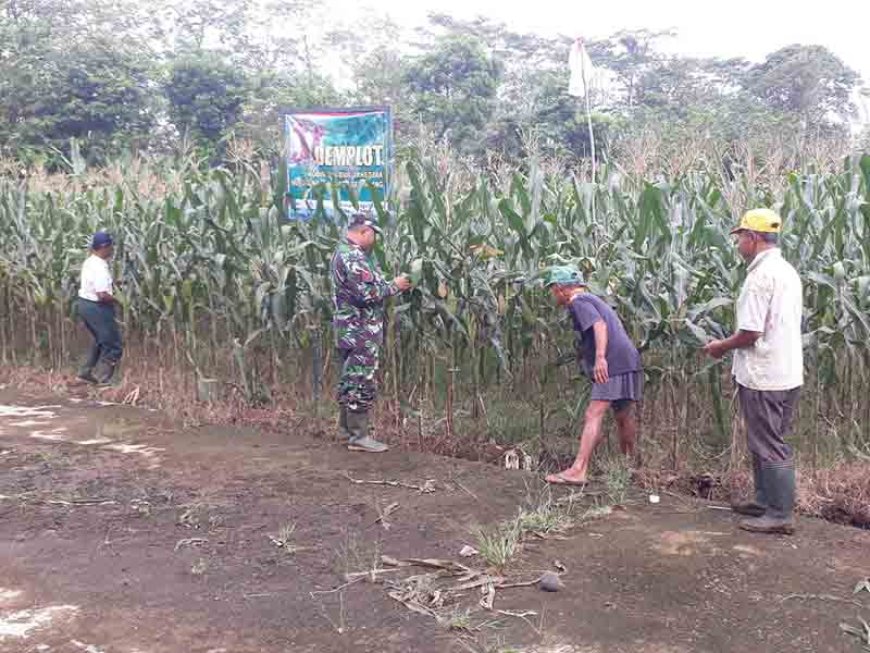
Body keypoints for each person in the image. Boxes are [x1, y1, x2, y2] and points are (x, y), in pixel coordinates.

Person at [703, 208, 803, 535]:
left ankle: (779, 513)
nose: (738, 244)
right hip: (786, 372)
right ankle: (763, 500)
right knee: (765, 439)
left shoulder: (760, 277)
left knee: (769, 443)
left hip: (764, 376)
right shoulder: (786, 271)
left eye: (740, 238)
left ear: (753, 237)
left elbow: (751, 333)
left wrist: (720, 347)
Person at [544, 266, 643, 485]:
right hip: (628, 359)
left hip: (613, 361)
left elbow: (599, 326)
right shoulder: (591, 299)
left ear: (560, 288)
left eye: (552, 289)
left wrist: (600, 358)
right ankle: (627, 468)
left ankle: (578, 470)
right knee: (622, 416)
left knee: (593, 413)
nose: (552, 294)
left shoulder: (578, 301)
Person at [331, 213, 411, 453]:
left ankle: (346, 431)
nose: (375, 239)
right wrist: (395, 285)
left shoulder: (343, 252)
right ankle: (359, 436)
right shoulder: (353, 256)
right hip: (360, 330)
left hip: (350, 329)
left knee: (350, 377)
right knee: (360, 378)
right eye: (374, 234)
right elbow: (367, 294)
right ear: (364, 231)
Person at [76, 231, 123, 384]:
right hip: (97, 307)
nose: (112, 249)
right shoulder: (100, 267)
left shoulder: (90, 261)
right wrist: (120, 301)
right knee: (113, 345)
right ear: (104, 247)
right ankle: (105, 380)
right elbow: (102, 294)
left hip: (85, 304)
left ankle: (85, 373)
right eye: (110, 246)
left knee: (99, 340)